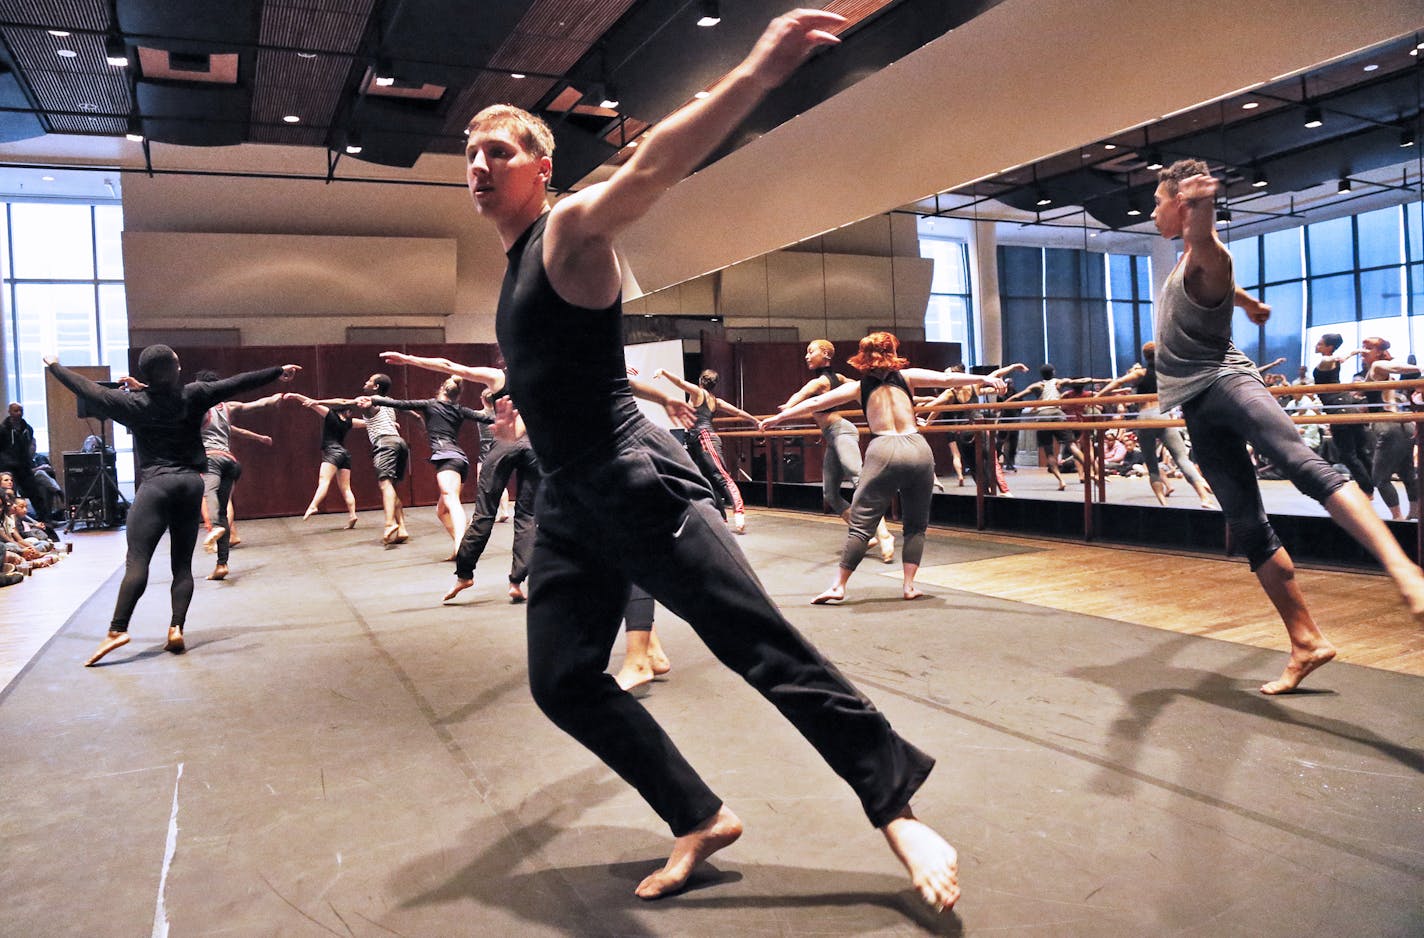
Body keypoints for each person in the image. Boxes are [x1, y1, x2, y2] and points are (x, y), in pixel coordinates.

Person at [463, 9, 958, 912]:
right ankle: (697, 814)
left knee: (756, 645)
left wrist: (758, 73)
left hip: (634, 479)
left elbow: (650, 168)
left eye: (499, 150)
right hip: (573, 498)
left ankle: (897, 809)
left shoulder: (570, 230)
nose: (480, 164)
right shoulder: (513, 268)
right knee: (562, 680)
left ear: (541, 169)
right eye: (473, 152)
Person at [1148, 159, 1424, 694]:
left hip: (1227, 386)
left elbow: (1209, 247)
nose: (1152, 212)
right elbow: (1218, 276)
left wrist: (1203, 203)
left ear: (1180, 206)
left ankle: (1405, 570)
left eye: (1159, 202)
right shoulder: (1191, 266)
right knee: (1249, 528)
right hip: (1197, 406)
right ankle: (1306, 641)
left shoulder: (1207, 250)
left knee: (1305, 466)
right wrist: (1250, 304)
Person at [44, 347, 299, 665]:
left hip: (156, 484)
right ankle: (176, 628)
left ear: (145, 374)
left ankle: (117, 630)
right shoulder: (195, 395)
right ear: (177, 369)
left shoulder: (131, 403)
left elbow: (87, 388)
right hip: (190, 484)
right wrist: (278, 371)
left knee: (138, 560)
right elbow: (237, 383)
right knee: (182, 565)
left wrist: (54, 365)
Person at [763, 331, 1005, 604]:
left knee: (861, 525)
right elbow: (947, 379)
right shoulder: (908, 376)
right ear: (892, 353)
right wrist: (985, 377)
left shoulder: (858, 387)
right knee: (916, 525)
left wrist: (779, 418)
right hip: (917, 448)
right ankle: (910, 586)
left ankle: (839, 586)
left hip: (883, 450)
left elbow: (817, 402)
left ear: (862, 357)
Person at [373, 351, 537, 603]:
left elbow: (450, 365)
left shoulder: (499, 376)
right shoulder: (543, 379)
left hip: (505, 444)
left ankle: (464, 575)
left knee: (484, 513)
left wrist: (409, 360)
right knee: (527, 515)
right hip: (534, 447)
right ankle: (516, 582)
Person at [777, 340, 893, 560]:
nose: (807, 356)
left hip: (842, 432)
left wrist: (785, 410)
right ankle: (866, 534)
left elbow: (800, 395)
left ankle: (885, 534)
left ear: (826, 354)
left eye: (812, 352)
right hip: (833, 436)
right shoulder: (838, 378)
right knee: (830, 493)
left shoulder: (820, 383)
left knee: (859, 480)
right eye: (806, 352)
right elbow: (863, 386)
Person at [358, 373, 494, 559]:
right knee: (442, 510)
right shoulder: (460, 409)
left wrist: (373, 398)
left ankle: (460, 544)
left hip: (447, 459)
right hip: (461, 460)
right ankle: (463, 547)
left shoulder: (431, 404)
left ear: (441, 390)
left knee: (451, 500)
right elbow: (487, 418)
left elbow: (400, 404)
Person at [1096, 343, 1215, 508]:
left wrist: (1099, 396)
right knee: (1182, 459)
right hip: (1163, 415)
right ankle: (1203, 497)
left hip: (1145, 418)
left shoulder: (1140, 373)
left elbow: (1117, 383)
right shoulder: (1166, 374)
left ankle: (1163, 503)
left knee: (1152, 465)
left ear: (1145, 357)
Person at [191, 372, 285, 581]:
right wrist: (271, 400)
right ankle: (221, 564)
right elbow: (253, 405)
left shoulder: (197, 409)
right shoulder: (226, 407)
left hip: (210, 459)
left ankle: (213, 527)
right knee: (223, 510)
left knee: (208, 495)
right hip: (230, 462)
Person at [653, 368, 756, 533]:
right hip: (696, 441)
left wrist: (664, 372)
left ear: (701, 381)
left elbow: (680, 383)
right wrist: (754, 420)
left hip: (705, 438)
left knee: (721, 476)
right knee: (706, 480)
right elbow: (736, 412)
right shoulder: (715, 401)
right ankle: (720, 517)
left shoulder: (698, 393)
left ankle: (739, 511)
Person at [314, 374, 410, 544]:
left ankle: (389, 524)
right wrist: (417, 420)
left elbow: (343, 402)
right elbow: (407, 409)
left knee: (385, 485)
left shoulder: (369, 400)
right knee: (392, 488)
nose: (365, 383)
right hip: (400, 442)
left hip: (385, 443)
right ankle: (401, 527)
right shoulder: (389, 401)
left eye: (369, 381)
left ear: (376, 387)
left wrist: (317, 402)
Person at [1358, 336, 1420, 521]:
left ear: (1378, 352)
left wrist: (1419, 368)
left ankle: (1397, 518)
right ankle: (1414, 513)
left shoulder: (1377, 366)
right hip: (1404, 425)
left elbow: (1396, 367)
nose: (1362, 352)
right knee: (1407, 473)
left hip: (1389, 426)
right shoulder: (1378, 371)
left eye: (1367, 348)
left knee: (1380, 478)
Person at [1004, 364, 1094, 491]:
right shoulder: (1058, 382)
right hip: (1057, 414)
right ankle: (1090, 471)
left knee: (1049, 452)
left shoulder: (1037, 386)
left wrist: (1002, 405)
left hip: (1043, 416)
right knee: (1072, 446)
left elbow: (1017, 397)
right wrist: (1103, 381)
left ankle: (1061, 481)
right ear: (1053, 372)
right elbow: (1079, 381)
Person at [283, 394, 363, 527]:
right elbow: (368, 423)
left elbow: (313, 404)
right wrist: (391, 424)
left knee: (324, 481)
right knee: (346, 488)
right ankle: (352, 514)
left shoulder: (330, 414)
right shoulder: (350, 422)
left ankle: (314, 505)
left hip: (332, 452)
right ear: (346, 410)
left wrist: (296, 396)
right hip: (345, 454)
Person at [1311, 334, 1371, 494]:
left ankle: (1367, 489)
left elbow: (1328, 360)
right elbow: (1341, 357)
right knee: (1359, 451)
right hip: (1348, 406)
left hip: (1339, 409)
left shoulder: (1326, 361)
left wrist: (1344, 355)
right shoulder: (1333, 360)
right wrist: (1356, 351)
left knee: (1348, 455)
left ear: (1329, 347)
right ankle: (1371, 483)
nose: (1317, 346)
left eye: (1320, 344)